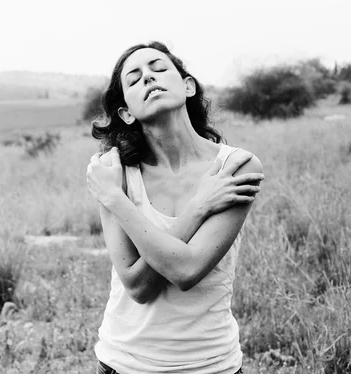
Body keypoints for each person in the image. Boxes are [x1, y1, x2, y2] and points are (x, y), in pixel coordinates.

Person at [86, 41, 264, 374]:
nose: (148, 79)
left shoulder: (236, 167)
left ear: (187, 85)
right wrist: (199, 206)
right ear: (126, 111)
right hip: (124, 363)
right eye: (134, 78)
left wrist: (114, 198)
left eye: (158, 68)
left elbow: (187, 271)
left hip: (211, 364)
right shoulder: (113, 172)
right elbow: (138, 286)